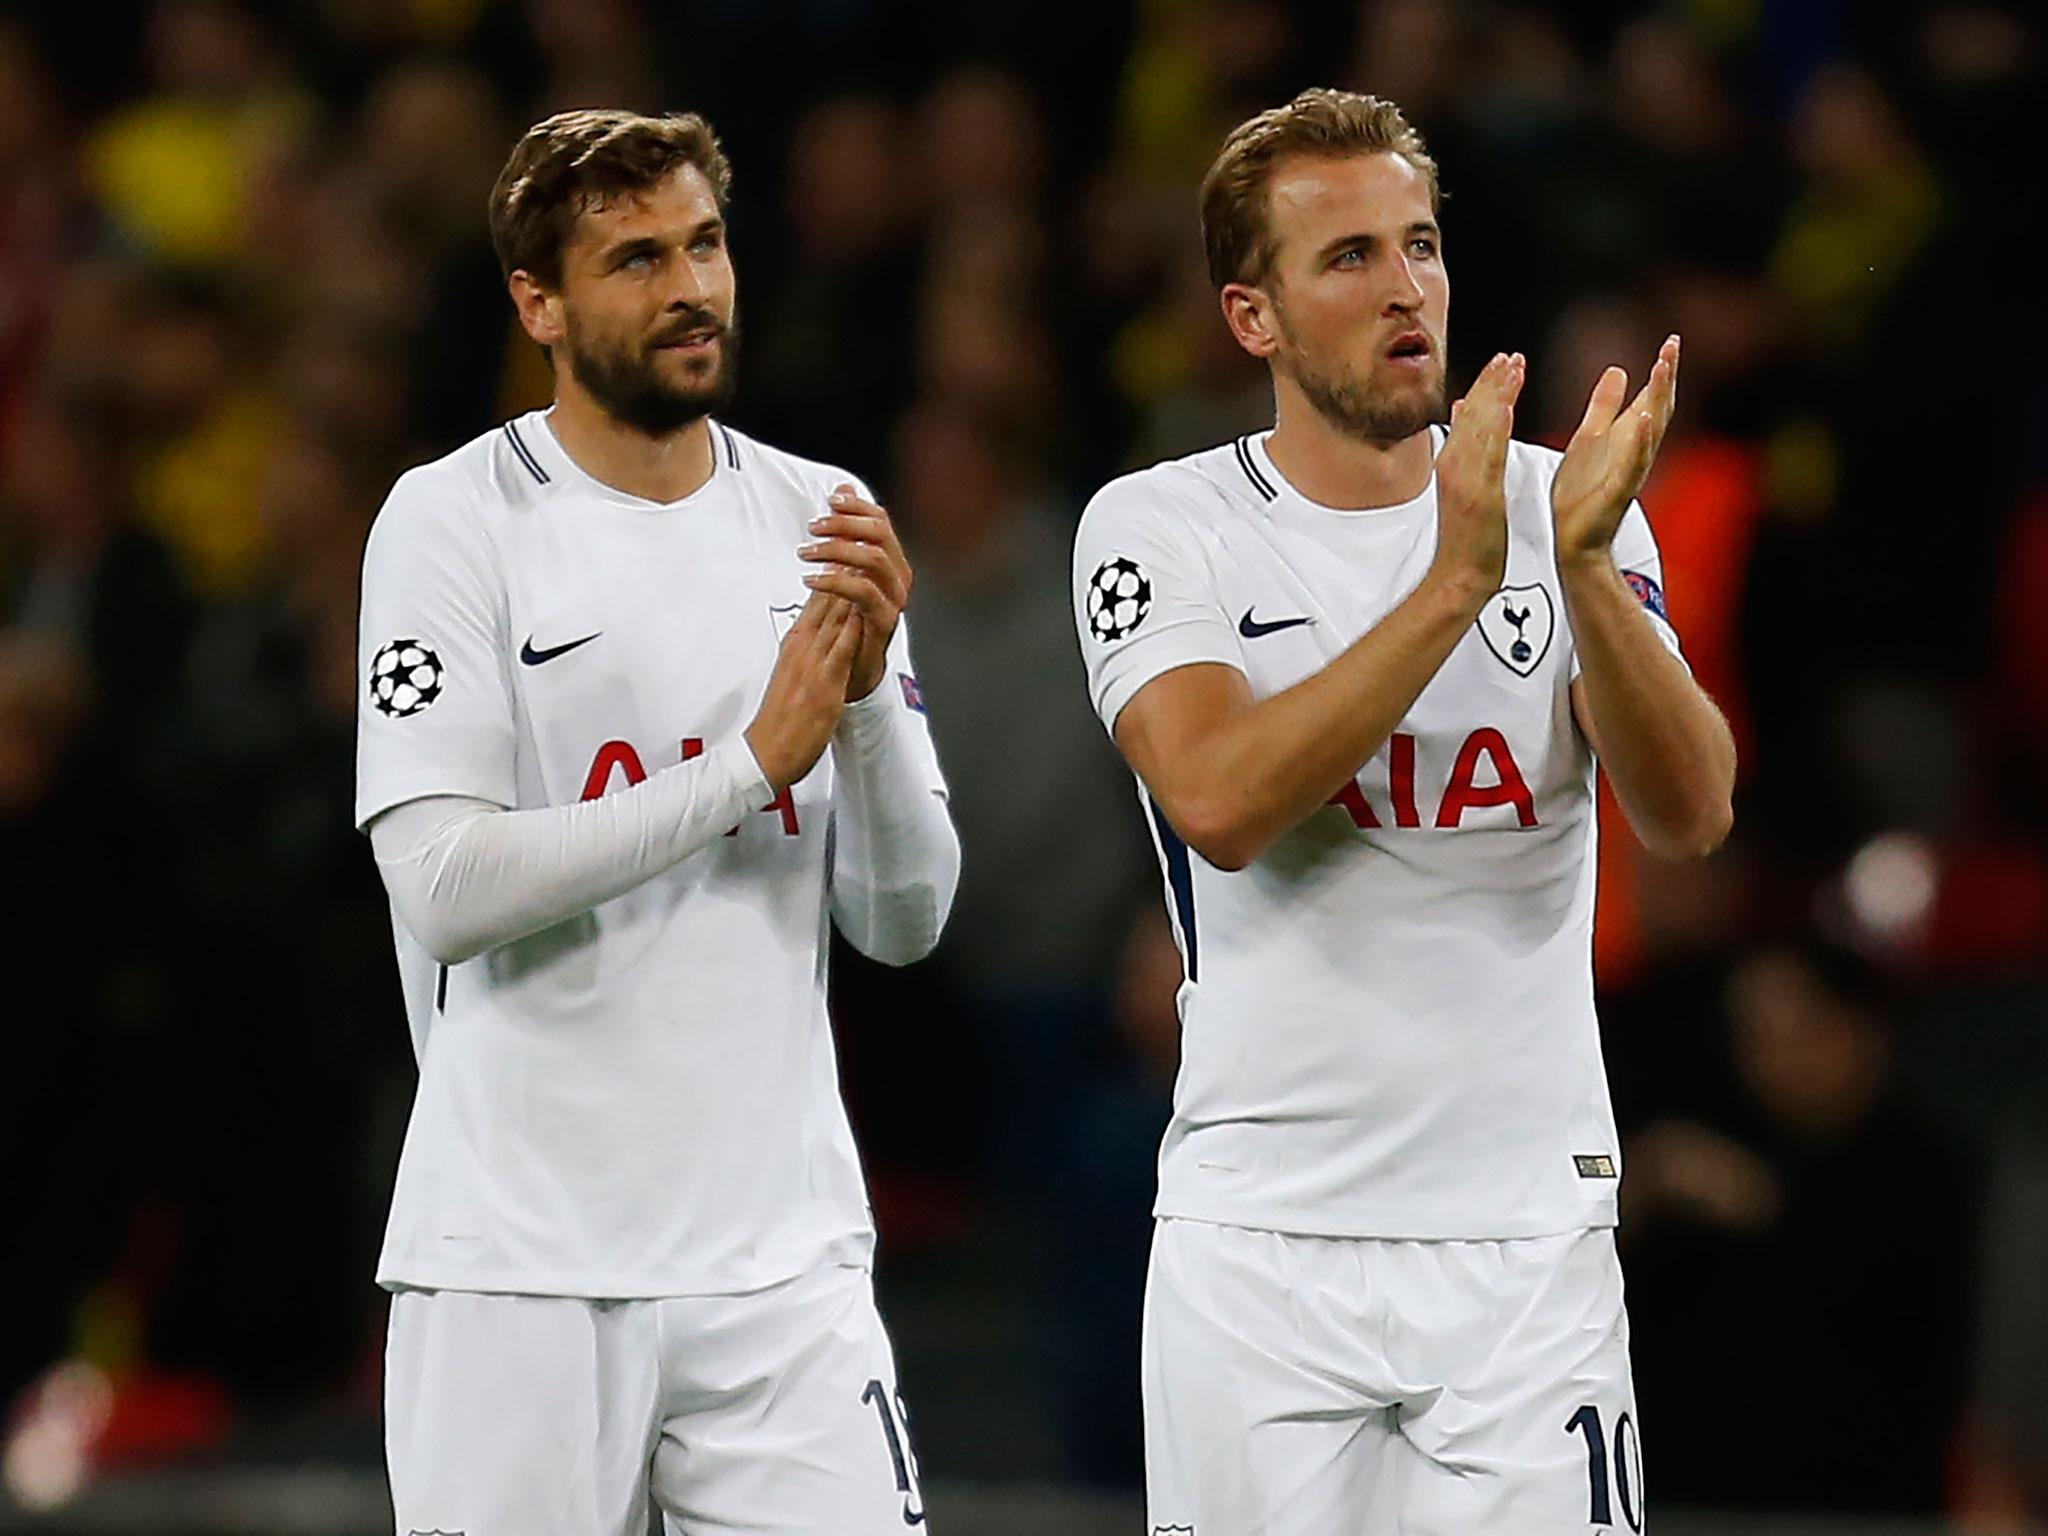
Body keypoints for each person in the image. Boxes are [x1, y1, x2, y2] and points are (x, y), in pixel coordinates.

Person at [1070, 89, 1736, 1534]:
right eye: (1350, 257)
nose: (1405, 288)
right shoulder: (1157, 527)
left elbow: (1688, 809)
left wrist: (1571, 575)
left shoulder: (1572, 510)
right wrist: (1460, 578)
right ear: (1253, 317)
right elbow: (1221, 800)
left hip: (1522, 1244)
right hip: (1260, 1249)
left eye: (1420, 245)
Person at [354, 109, 957, 1536]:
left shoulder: (823, 514)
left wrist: (866, 706)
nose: (690, 288)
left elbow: (906, 918)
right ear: (538, 304)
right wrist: (747, 767)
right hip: (520, 1261)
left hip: (785, 1261)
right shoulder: (452, 524)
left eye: (705, 245)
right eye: (635, 260)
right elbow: (442, 882)